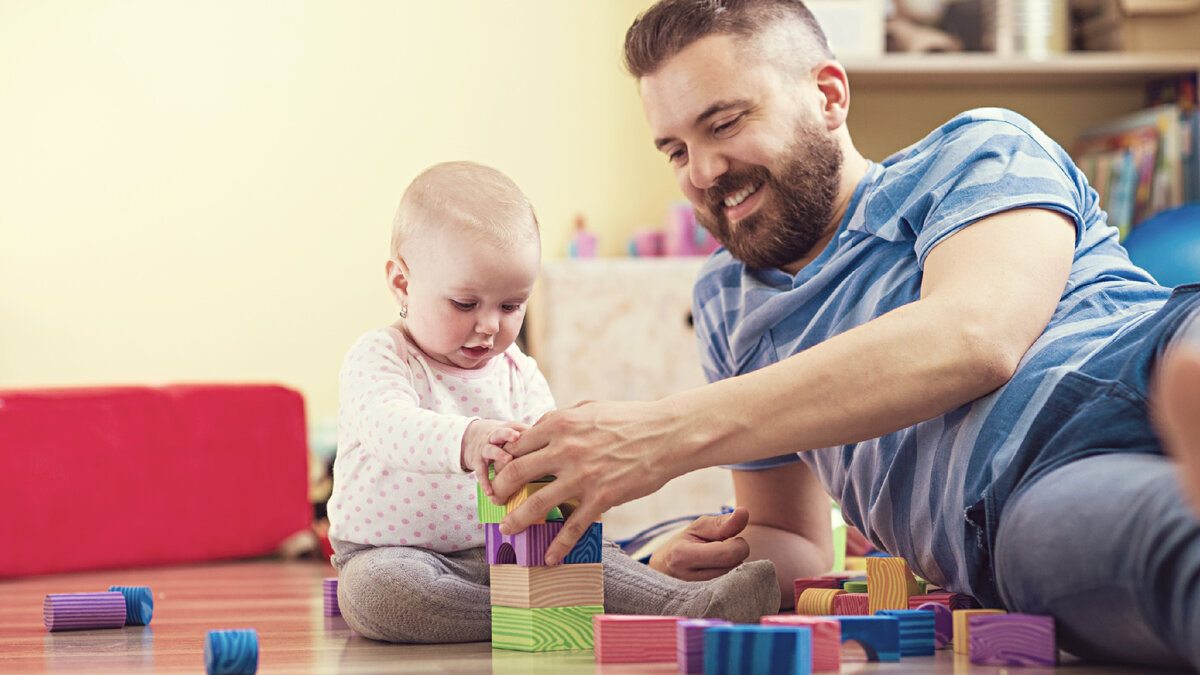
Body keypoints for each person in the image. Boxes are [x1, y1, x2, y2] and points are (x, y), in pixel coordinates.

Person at [491, 1, 1200, 668]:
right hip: (1023, 496)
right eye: (675, 151)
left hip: (1146, 350)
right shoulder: (727, 305)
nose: (703, 172)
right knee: (1155, 553)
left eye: (725, 123)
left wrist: (663, 433)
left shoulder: (976, 150)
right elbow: (794, 541)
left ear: (829, 96)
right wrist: (685, 564)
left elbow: (976, 335)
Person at [325, 160, 778, 644]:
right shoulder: (381, 356)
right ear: (402, 284)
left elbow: (553, 459)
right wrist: (469, 438)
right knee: (379, 595)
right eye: (464, 304)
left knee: (588, 554)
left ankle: (683, 604)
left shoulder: (520, 370)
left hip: (511, 548)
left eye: (510, 305)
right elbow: (388, 427)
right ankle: (551, 611)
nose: (489, 326)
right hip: (395, 554)